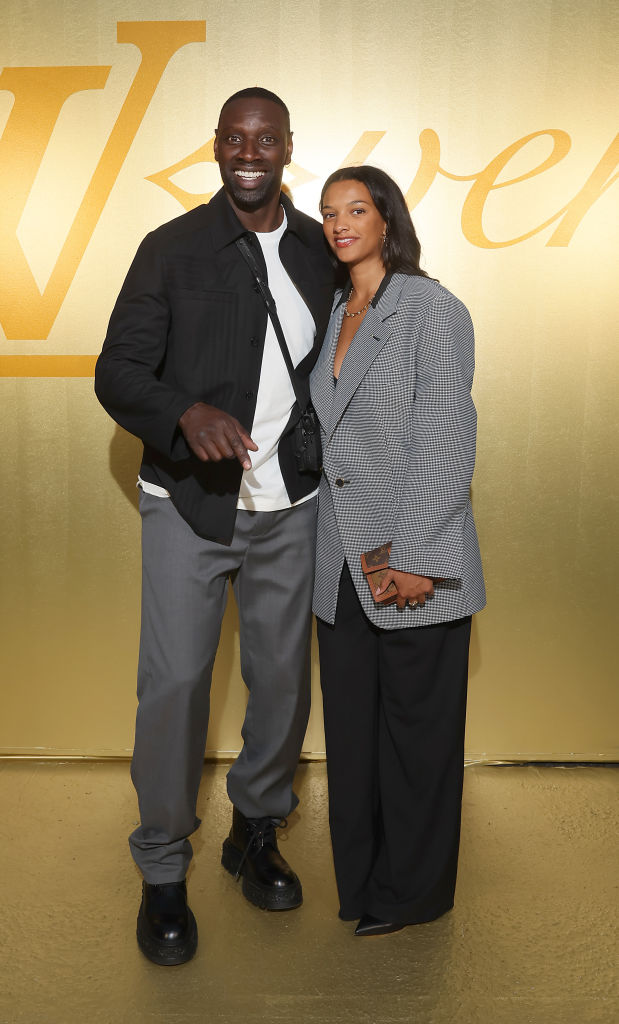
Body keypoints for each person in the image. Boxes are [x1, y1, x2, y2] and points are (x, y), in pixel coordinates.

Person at [95, 88, 335, 965]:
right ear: (216, 147)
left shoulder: (318, 250)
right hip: (190, 507)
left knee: (280, 686)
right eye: (234, 137)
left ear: (286, 149)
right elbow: (116, 370)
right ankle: (162, 868)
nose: (248, 150)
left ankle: (254, 832)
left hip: (292, 507)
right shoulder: (170, 249)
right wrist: (180, 412)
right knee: (173, 686)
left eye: (264, 137)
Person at [310, 166, 486, 937]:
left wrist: (412, 551)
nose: (340, 224)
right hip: (338, 565)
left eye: (355, 209)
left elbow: (445, 433)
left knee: (416, 741)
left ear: (386, 219)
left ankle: (411, 895)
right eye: (327, 214)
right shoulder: (334, 310)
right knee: (351, 740)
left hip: (410, 558)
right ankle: (361, 887)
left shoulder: (430, 308)